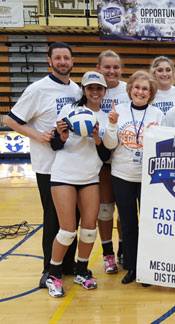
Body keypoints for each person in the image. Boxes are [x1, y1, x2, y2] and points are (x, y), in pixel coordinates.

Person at [4, 42, 81, 288]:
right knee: (53, 219)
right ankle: (50, 269)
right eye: (57, 58)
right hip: (48, 167)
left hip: (72, 165)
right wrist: (37, 135)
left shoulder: (77, 90)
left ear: (72, 61)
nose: (62, 62)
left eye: (66, 58)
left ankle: (67, 265)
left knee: (72, 219)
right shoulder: (37, 89)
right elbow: (11, 119)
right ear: (50, 61)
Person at [45, 71, 112, 297]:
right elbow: (55, 145)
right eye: (90, 88)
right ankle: (53, 275)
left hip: (90, 177)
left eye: (99, 88)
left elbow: (104, 156)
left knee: (90, 229)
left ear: (104, 91)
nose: (95, 92)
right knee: (67, 230)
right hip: (64, 175)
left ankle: (82, 270)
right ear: (84, 90)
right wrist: (62, 136)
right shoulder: (68, 110)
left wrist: (97, 138)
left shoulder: (105, 117)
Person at [103, 71, 165, 284]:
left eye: (145, 89)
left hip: (148, 177)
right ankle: (132, 267)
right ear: (130, 89)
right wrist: (111, 124)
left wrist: (157, 135)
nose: (140, 92)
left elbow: (163, 148)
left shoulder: (157, 115)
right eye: (137, 87)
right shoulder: (117, 111)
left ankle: (148, 268)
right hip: (122, 175)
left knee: (149, 224)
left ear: (151, 93)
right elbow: (110, 146)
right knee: (128, 224)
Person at [96, 50, 128, 272]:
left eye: (115, 67)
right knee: (106, 210)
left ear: (121, 69)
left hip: (125, 158)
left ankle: (123, 250)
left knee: (125, 212)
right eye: (107, 67)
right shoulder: (93, 90)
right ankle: (108, 254)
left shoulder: (128, 90)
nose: (111, 71)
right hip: (102, 161)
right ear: (99, 68)